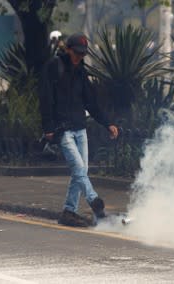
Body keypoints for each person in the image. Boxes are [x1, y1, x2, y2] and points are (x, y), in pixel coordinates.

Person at [39, 33, 119, 227]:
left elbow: (91, 102)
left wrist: (107, 122)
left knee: (81, 171)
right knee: (79, 168)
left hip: (79, 127)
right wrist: (48, 127)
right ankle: (95, 203)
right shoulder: (54, 66)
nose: (79, 57)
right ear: (67, 49)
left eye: (82, 54)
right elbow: (45, 98)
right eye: (76, 53)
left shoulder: (81, 71)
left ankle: (69, 212)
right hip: (62, 129)